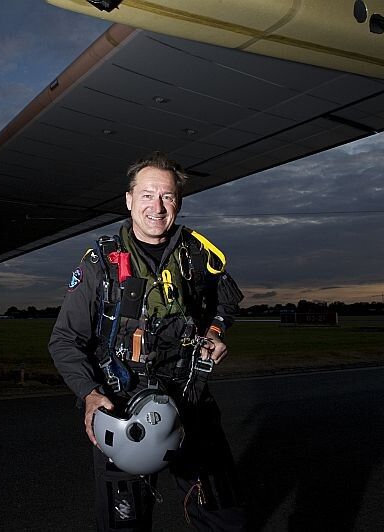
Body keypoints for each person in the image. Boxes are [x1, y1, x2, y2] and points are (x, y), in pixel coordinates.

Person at [49, 152, 246, 531]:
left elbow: (227, 301)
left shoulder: (197, 254)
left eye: (167, 196)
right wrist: (90, 394)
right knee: (124, 525)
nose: (157, 207)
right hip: (123, 412)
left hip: (191, 407)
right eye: (147, 195)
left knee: (224, 519)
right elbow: (65, 339)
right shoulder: (100, 264)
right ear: (128, 200)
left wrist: (215, 332)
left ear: (178, 203)